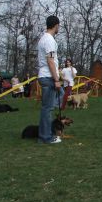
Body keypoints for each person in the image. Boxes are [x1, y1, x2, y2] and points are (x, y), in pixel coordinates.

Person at [37, 15, 62, 144]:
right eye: (59, 25)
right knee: (47, 109)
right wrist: (56, 79)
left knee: (60, 95)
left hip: (45, 75)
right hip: (48, 76)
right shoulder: (49, 40)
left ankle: (45, 132)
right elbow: (50, 61)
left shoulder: (43, 39)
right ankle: (46, 137)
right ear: (56, 25)